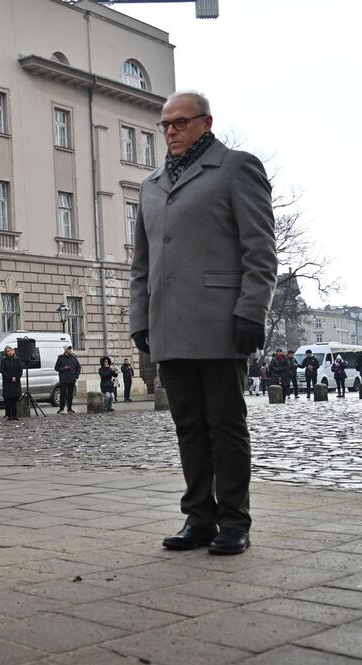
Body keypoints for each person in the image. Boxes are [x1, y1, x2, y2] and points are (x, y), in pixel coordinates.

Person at [130, 91, 277, 556]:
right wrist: (140, 317)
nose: (171, 131)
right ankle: (200, 516)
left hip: (220, 321)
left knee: (226, 424)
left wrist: (252, 310)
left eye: (180, 122)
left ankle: (235, 521)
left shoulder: (236, 168)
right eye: (165, 124)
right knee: (188, 425)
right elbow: (141, 261)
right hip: (168, 324)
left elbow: (260, 249)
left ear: (206, 123)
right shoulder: (150, 185)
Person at [54, 345, 81, 414]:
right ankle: (61, 409)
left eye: (70, 349)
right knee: (62, 394)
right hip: (63, 379)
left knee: (70, 395)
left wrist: (76, 376)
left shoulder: (73, 358)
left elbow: (78, 367)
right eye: (69, 349)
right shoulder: (60, 358)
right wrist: (64, 368)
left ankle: (69, 409)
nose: (70, 350)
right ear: (66, 350)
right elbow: (56, 368)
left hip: (72, 379)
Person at [0, 345, 22, 421]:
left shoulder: (17, 360)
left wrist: (16, 377)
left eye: (10, 350)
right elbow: (3, 371)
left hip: (16, 383)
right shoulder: (4, 361)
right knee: (8, 400)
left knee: (14, 400)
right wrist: (10, 377)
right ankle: (9, 415)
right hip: (8, 383)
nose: (9, 352)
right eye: (7, 351)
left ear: (13, 351)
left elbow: (20, 370)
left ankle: (15, 415)